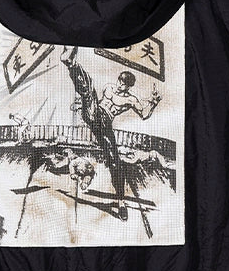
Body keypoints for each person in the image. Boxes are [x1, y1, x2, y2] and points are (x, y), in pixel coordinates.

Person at [61, 45, 161, 219]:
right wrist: (82, 106)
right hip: (95, 114)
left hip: (105, 125)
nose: (121, 86)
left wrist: (153, 102)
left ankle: (121, 202)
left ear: (129, 86)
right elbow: (91, 100)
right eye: (120, 82)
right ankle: (71, 64)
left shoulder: (131, 99)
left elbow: (144, 115)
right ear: (118, 80)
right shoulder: (108, 87)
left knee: (115, 161)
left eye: (125, 84)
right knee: (89, 90)